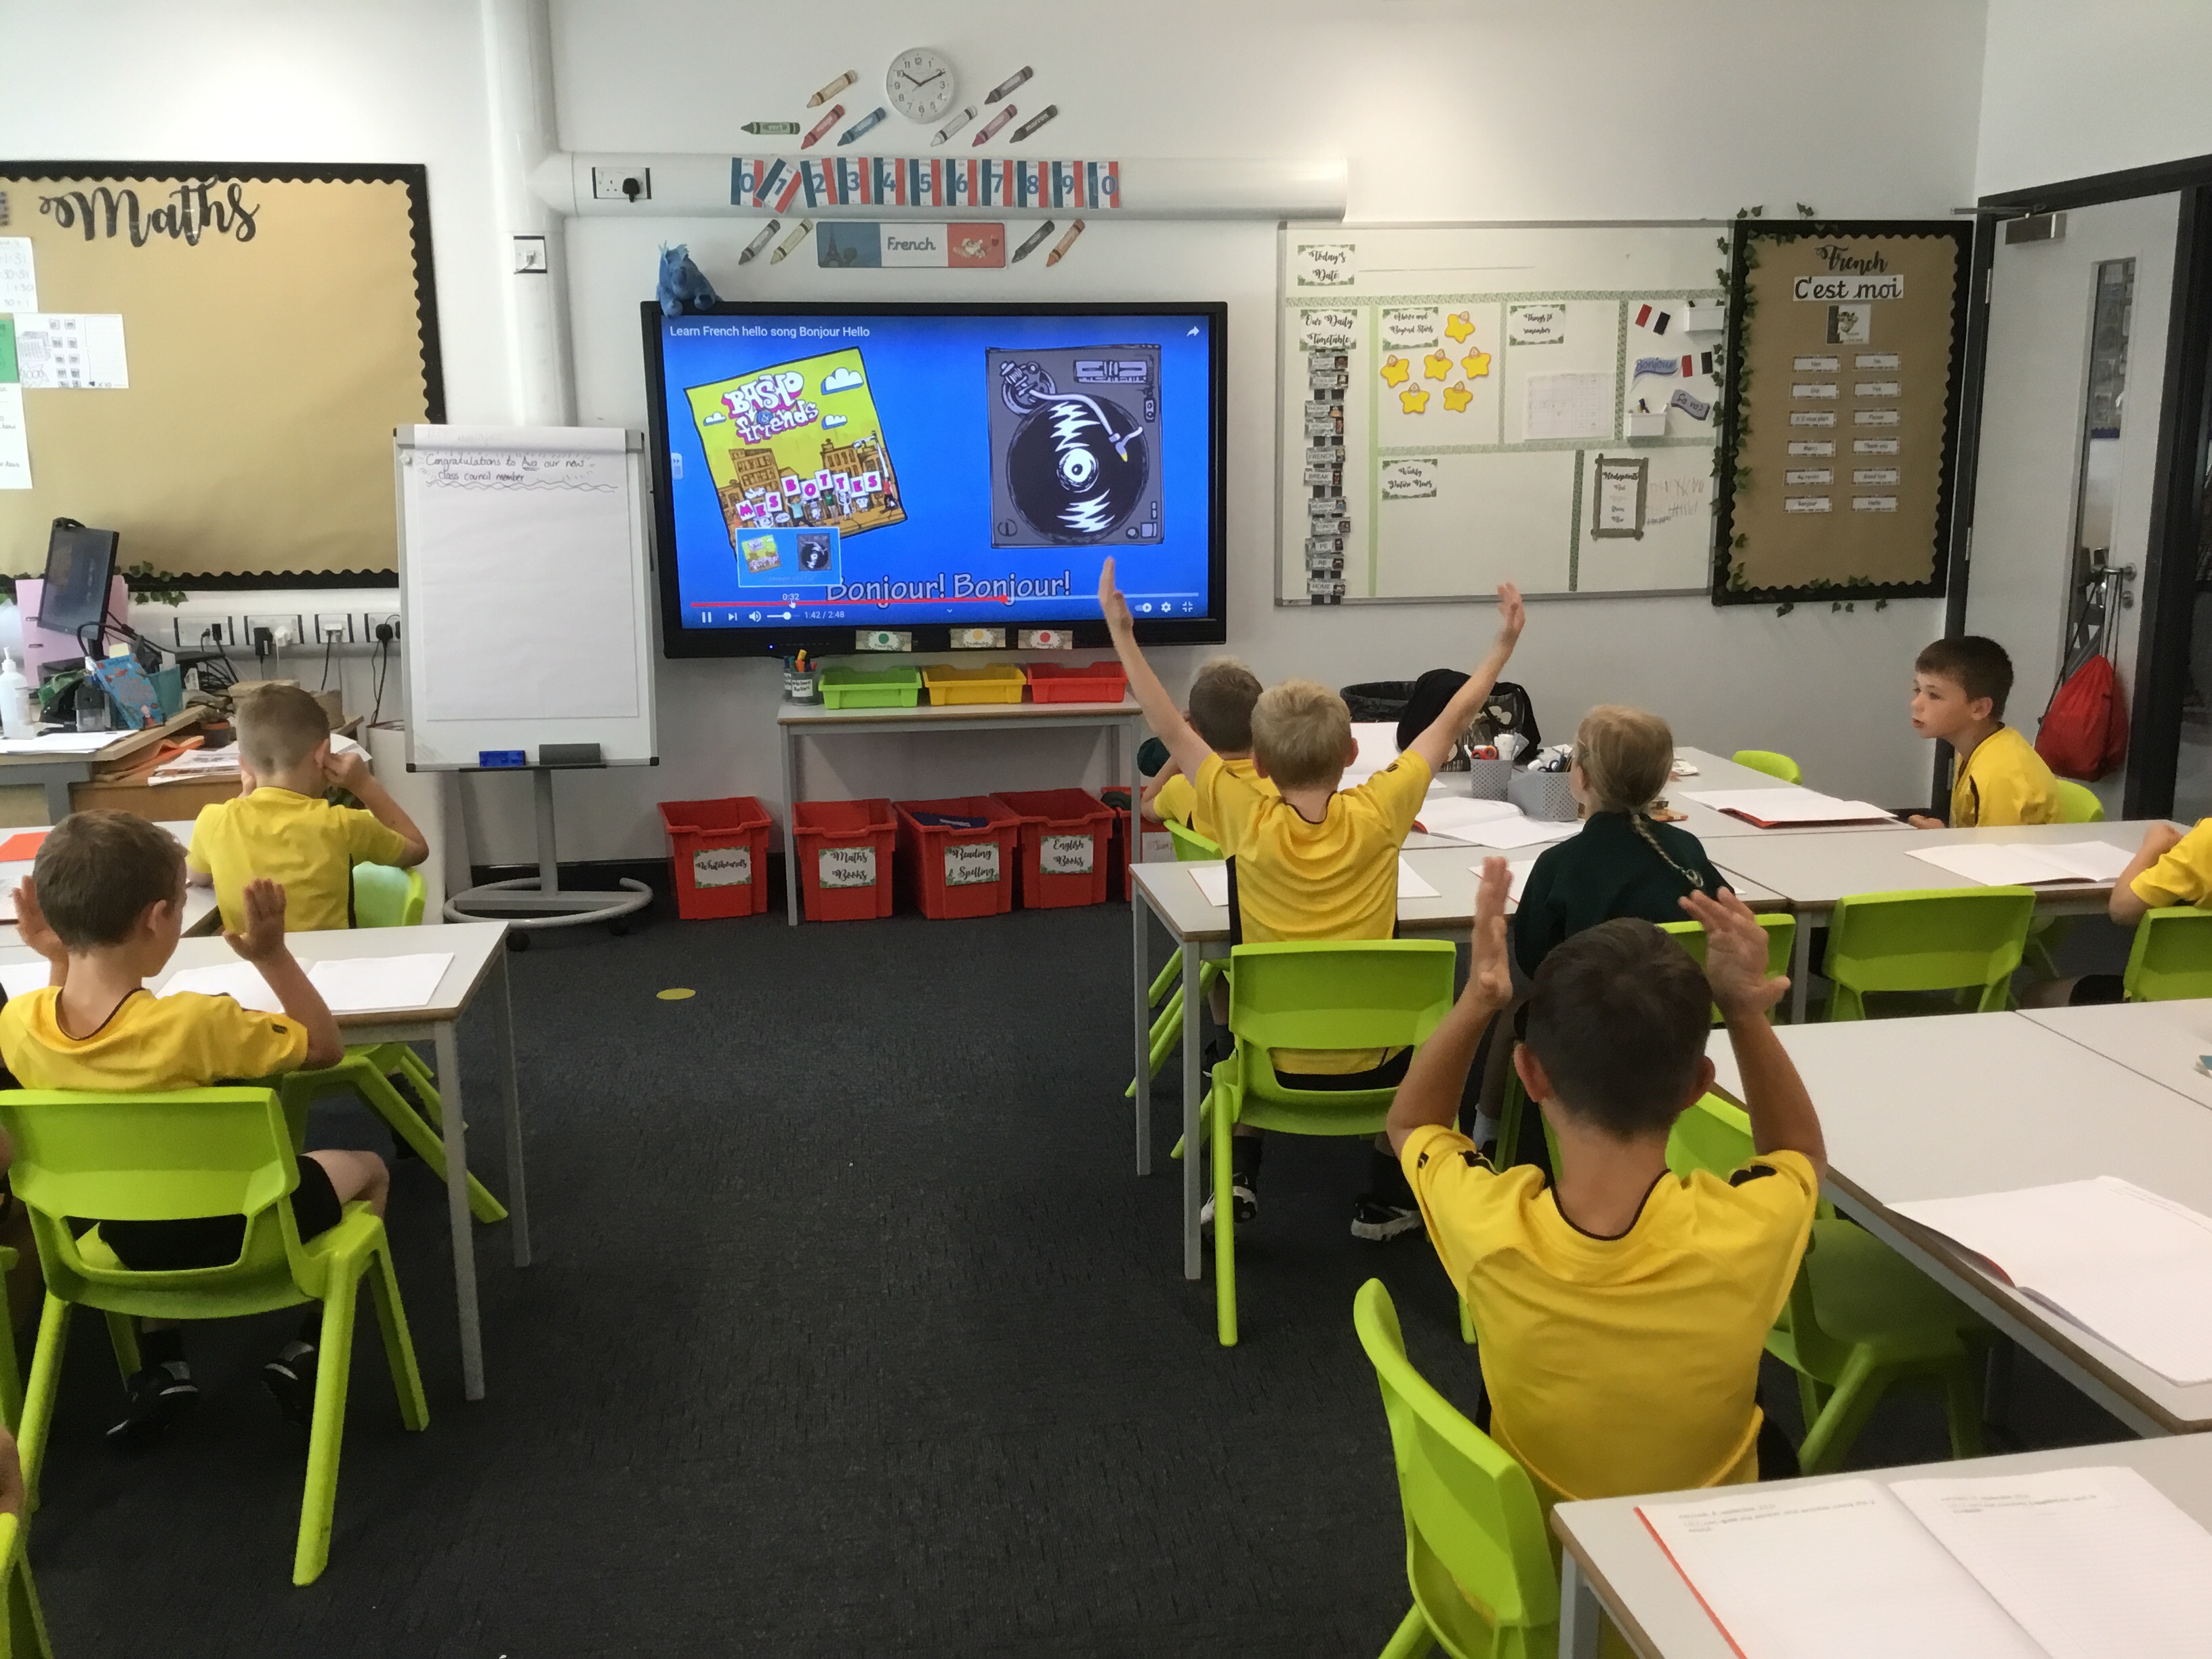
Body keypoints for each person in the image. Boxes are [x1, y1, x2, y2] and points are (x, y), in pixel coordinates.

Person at [1102, 556, 1526, 1238]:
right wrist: (1502, 645)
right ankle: (1385, 1200)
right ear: (1353, 751)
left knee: (1249, 1022)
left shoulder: (1242, 815)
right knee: (1420, 1034)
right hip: (1385, 1066)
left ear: (1260, 764)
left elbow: (1173, 728)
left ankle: (1238, 1179)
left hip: (1269, 1066)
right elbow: (1451, 722)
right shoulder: (1382, 809)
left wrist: (1122, 633)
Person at [1387, 861, 1824, 1509]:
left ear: (1530, 1074)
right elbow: (1800, 1154)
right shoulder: (1747, 1230)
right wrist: (1744, 1015)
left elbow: (1412, 1123)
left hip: (1534, 1546)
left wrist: (1479, 997)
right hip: (1701, 1552)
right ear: (1698, 1087)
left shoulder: (1489, 1225)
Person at [0, 811, 385, 1443]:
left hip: (123, 1241)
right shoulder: (197, 1024)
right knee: (368, 1170)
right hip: (252, 1239)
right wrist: (272, 956)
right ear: (157, 919)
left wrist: (57, 960)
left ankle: (163, 1367)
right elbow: (323, 1048)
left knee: (153, 1185)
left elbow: (55, 1036)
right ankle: (310, 1351)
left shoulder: (18, 1024)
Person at [188, 683, 428, 933]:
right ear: (323, 754)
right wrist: (364, 783)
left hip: (253, 958)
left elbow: (198, 876)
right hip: (332, 958)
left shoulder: (213, 821)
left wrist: (244, 797)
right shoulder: (344, 824)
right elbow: (417, 849)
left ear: (245, 766)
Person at [1513, 705, 1726, 981]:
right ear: (1663, 779)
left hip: (1587, 1005)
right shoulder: (1687, 848)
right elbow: (1722, 914)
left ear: (1582, 777)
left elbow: (1531, 959)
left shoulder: (1558, 863)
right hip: (1680, 1002)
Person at [2027, 817, 2205, 1004]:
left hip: (2158, 1001)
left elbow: (2122, 908)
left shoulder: (2203, 841)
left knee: (2035, 995)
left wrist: (2153, 846)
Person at [1904, 636, 2060, 829]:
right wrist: (1943, 833)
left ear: (1979, 709)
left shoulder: (2000, 774)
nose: (1916, 703)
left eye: (1934, 695)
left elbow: (1997, 848)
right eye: (1917, 690)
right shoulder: (1974, 749)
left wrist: (1943, 839)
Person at [1143, 657, 1272, 842]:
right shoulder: (1282, 787)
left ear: (1195, 730)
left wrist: (1183, 744)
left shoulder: (1181, 789)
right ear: (1259, 724)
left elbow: (1146, 805)